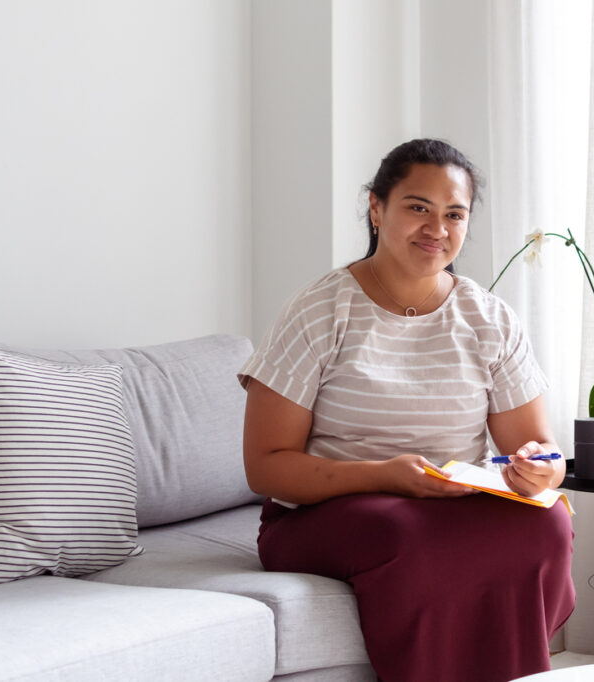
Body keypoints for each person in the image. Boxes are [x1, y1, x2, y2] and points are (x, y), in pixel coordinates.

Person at [238, 138, 575, 682]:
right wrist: (382, 476)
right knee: (403, 528)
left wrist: (542, 468)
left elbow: (542, 449)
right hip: (321, 515)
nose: (436, 229)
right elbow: (266, 465)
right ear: (377, 207)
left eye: (454, 214)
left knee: (549, 524)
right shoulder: (319, 311)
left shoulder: (489, 318)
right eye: (418, 207)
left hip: (448, 502)